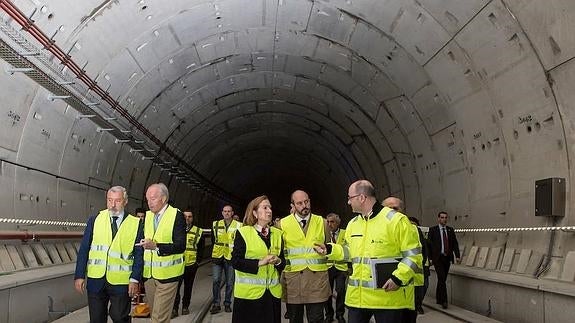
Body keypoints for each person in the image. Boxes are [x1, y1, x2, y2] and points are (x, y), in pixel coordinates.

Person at [314, 180, 422, 323]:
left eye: (349, 198)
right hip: (358, 301)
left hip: (387, 299)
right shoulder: (353, 224)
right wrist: (329, 249)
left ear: (361, 198)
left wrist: (398, 279)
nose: (348, 202)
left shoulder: (396, 220)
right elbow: (349, 252)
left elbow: (413, 255)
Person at [74, 186, 144, 323]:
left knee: (120, 317)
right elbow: (84, 249)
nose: (113, 205)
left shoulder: (135, 224)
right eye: (109, 200)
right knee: (96, 319)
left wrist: (135, 279)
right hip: (96, 280)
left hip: (121, 282)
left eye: (117, 201)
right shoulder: (95, 220)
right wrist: (79, 275)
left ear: (125, 201)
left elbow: (139, 254)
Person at [231, 195, 285, 323]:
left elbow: (283, 262)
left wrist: (278, 261)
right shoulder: (243, 233)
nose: (269, 211)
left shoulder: (278, 234)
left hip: (272, 295)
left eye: (270, 208)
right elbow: (235, 262)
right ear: (254, 213)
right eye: (265, 207)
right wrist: (260, 263)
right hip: (248, 296)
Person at [279, 190, 331, 323]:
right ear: (293, 205)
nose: (304, 205)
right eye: (300, 203)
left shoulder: (322, 222)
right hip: (293, 281)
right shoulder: (282, 224)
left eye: (306, 201)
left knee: (316, 319)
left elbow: (329, 248)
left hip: (317, 281)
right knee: (295, 319)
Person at [137, 183, 186, 323]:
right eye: (147, 199)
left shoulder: (176, 215)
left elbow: (180, 246)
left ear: (163, 198)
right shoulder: (147, 217)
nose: (149, 203)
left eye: (152, 199)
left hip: (168, 276)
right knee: (156, 316)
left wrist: (156, 246)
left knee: (158, 319)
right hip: (149, 276)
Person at [211, 205, 242, 314]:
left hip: (230, 257)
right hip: (217, 256)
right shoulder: (215, 224)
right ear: (222, 213)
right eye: (225, 211)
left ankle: (227, 303)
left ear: (232, 213)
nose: (227, 213)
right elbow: (213, 239)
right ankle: (216, 303)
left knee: (229, 282)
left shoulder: (239, 225)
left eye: (229, 211)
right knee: (216, 280)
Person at [173, 209, 205, 316]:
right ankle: (174, 309)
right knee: (176, 288)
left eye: (189, 216)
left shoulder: (198, 231)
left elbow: (201, 248)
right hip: (177, 264)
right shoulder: (176, 229)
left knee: (188, 287)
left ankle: (185, 306)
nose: (187, 218)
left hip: (191, 264)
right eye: (185, 216)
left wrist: (197, 262)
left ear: (193, 218)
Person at [428, 211, 460, 309]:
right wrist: (429, 258)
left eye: (446, 217)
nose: (444, 219)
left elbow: (455, 243)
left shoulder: (450, 230)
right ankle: (444, 301)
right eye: (442, 217)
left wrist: (457, 256)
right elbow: (429, 245)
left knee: (442, 279)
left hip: (447, 258)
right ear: (438, 219)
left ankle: (439, 298)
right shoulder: (433, 230)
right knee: (442, 278)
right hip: (438, 258)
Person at [324, 213, 347, 323]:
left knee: (341, 291)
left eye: (332, 222)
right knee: (327, 293)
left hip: (341, 267)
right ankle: (329, 315)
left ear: (338, 222)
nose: (329, 224)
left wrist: (350, 266)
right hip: (327, 267)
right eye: (328, 222)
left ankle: (340, 314)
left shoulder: (345, 233)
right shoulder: (324, 234)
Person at [408, 216, 430, 315]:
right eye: (410, 224)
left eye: (414, 224)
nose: (412, 226)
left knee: (424, 286)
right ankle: (415, 306)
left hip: (422, 266)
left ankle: (418, 304)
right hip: (409, 267)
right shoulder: (405, 234)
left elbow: (426, 248)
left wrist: (425, 260)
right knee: (413, 289)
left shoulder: (420, 234)